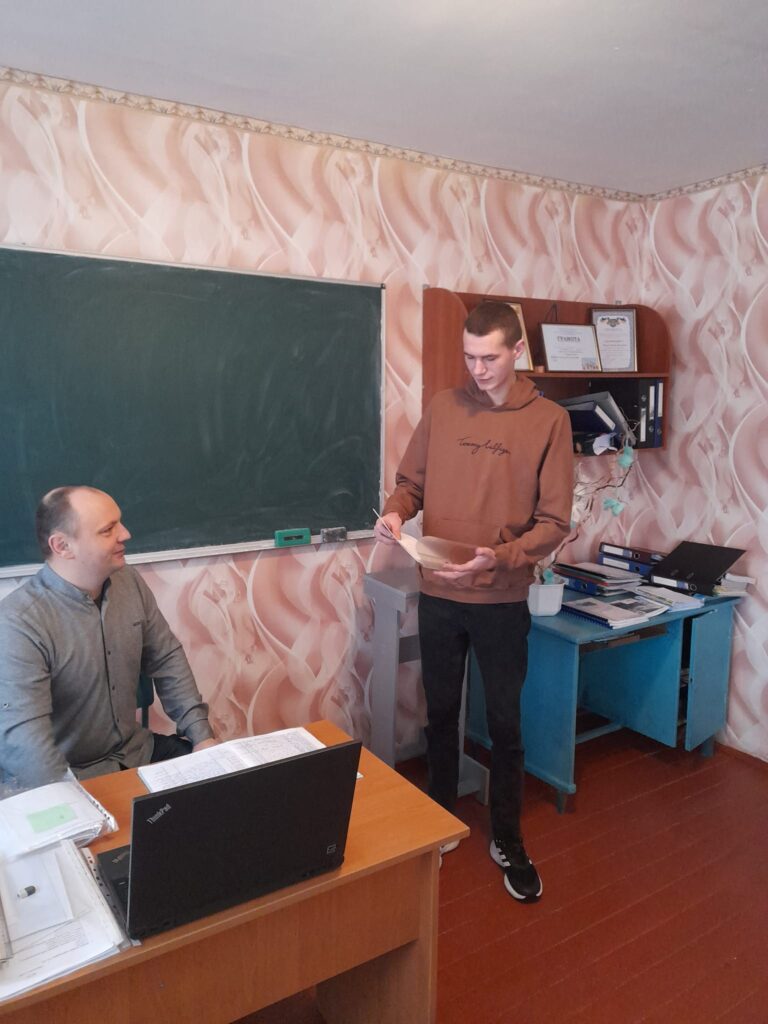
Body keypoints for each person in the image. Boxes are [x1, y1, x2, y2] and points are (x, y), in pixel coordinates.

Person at [375, 301, 572, 902]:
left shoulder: (549, 421)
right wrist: (396, 513)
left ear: (517, 352)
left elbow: (554, 522)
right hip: (439, 592)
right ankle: (439, 818)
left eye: (489, 358)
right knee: (440, 713)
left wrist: (502, 558)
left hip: (502, 598)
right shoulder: (443, 407)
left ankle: (508, 837)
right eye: (469, 357)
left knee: (505, 723)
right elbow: (411, 483)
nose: (477, 369)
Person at [0, 486, 216, 788]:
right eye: (108, 530)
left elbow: (166, 658)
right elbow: (25, 742)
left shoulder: (129, 582)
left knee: (223, 786)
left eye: (120, 523)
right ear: (62, 546)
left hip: (134, 751)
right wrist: (72, 803)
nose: (125, 534)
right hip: (69, 775)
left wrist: (202, 737)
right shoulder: (18, 623)